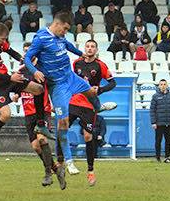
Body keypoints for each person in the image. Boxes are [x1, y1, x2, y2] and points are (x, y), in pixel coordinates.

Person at [24, 11, 93, 178]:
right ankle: (64, 163)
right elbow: (27, 57)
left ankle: (99, 107)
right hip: (56, 86)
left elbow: (67, 44)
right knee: (63, 122)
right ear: (57, 24)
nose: (66, 32)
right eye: (65, 29)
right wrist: (35, 71)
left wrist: (79, 53)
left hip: (68, 77)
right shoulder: (41, 38)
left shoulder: (60, 36)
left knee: (90, 91)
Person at [0, 23, 50, 160]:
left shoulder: (0, 42)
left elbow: (11, 51)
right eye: (1, 39)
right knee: (5, 115)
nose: (3, 42)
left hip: (7, 78)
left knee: (38, 89)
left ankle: (41, 125)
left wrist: (22, 59)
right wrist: (10, 77)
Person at [11, 42, 58, 188]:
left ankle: (48, 174)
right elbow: (18, 89)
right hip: (28, 113)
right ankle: (56, 169)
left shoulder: (43, 70)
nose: (26, 54)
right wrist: (16, 95)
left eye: (29, 51)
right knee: (36, 147)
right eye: (24, 52)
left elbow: (52, 88)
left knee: (42, 140)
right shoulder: (21, 71)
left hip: (42, 111)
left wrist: (56, 104)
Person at [71, 39, 118, 185]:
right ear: (84, 48)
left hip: (89, 104)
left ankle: (90, 171)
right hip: (74, 100)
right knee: (62, 126)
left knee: (87, 136)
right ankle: (61, 162)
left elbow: (112, 82)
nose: (90, 49)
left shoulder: (100, 65)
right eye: (87, 46)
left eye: (92, 47)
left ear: (96, 50)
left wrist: (101, 89)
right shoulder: (76, 63)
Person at [150, 79, 170, 163]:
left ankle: (167, 157)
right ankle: (158, 157)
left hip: (169, 122)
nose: (163, 86)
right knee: (158, 141)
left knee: (168, 141)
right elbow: (152, 110)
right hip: (159, 123)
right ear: (159, 86)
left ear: (167, 85)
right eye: (161, 84)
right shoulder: (155, 96)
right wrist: (153, 122)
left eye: (164, 84)